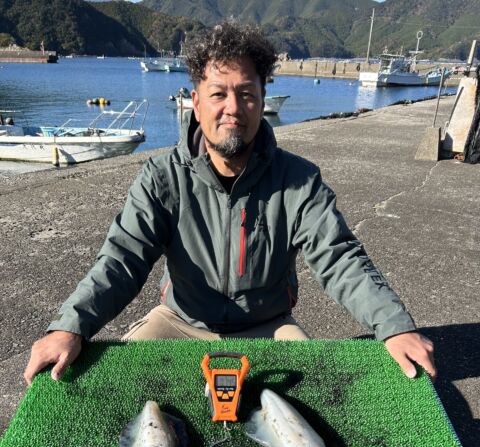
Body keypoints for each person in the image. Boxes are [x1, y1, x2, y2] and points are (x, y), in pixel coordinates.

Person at [24, 21, 436, 385]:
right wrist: (69, 327)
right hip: (179, 321)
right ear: (196, 101)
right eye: (218, 93)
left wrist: (394, 326)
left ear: (262, 98)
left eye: (246, 93)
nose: (233, 108)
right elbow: (121, 259)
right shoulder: (162, 177)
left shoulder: (298, 179)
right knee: (109, 389)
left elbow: (339, 257)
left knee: (316, 397)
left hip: (269, 326)